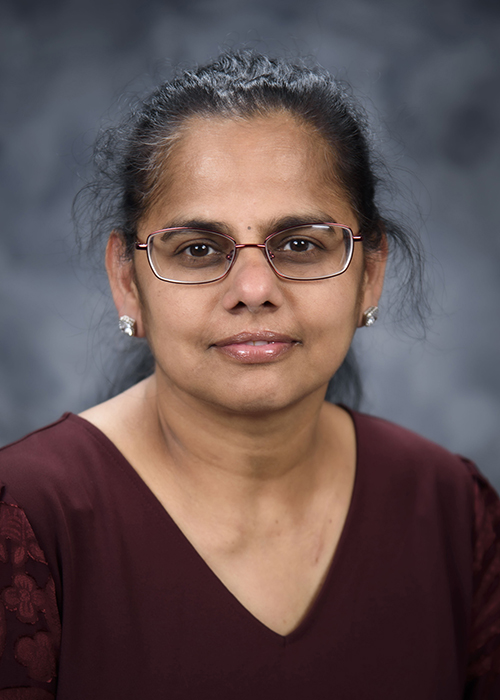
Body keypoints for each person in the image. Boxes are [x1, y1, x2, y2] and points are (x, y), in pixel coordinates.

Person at [0, 52, 498, 699]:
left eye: (300, 244)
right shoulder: (27, 520)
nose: (255, 289)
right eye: (199, 249)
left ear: (369, 273)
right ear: (127, 281)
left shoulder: (455, 511)